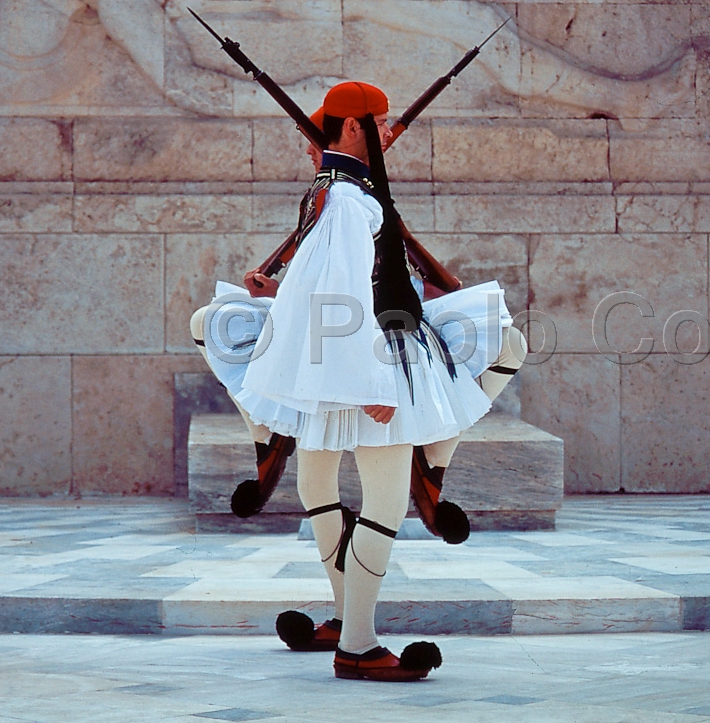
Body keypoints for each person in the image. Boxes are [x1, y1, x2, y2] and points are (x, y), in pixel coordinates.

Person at [196, 81, 523, 681]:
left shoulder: (331, 189)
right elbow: (342, 290)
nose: (387, 130)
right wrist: (373, 381)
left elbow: (319, 281)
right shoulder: (350, 198)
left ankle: (346, 620)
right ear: (355, 129)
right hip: (369, 357)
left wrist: (280, 291)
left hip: (336, 359)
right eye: (380, 122)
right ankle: (361, 645)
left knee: (317, 483)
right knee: (385, 502)